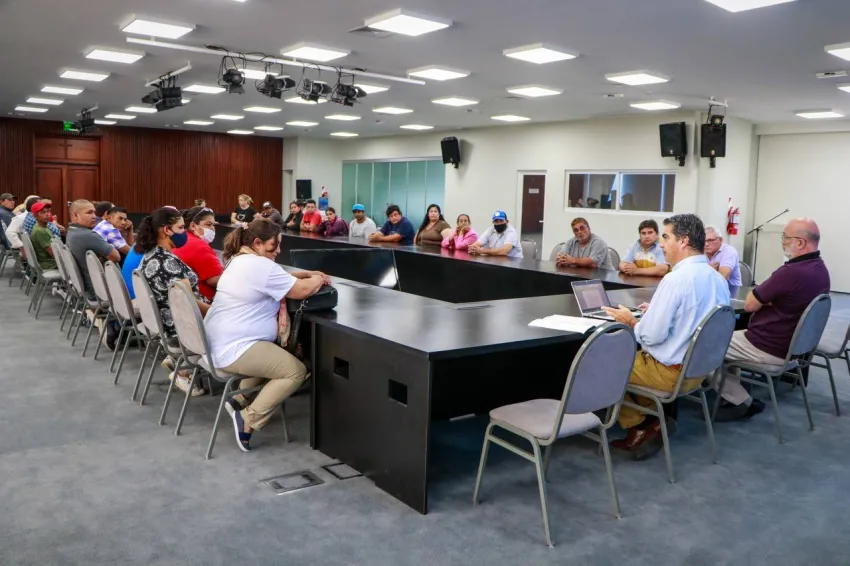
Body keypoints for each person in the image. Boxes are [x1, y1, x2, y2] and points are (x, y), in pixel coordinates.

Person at [602, 214, 729, 460]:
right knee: (631, 360)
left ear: (683, 241)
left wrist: (631, 320)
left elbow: (651, 336)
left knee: (607, 363)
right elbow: (695, 319)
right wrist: (655, 313)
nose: (661, 244)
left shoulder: (675, 280)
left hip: (670, 374)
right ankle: (654, 419)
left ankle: (641, 426)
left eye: (666, 237)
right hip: (699, 371)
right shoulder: (716, 279)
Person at [204, 218, 327, 452]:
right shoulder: (259, 266)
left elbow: (276, 276)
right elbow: (301, 291)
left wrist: (305, 273)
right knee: (295, 371)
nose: (278, 251)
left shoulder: (240, 260)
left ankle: (238, 399)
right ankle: (248, 419)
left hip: (220, 341)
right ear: (257, 243)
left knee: (280, 353)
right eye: (274, 245)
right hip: (234, 348)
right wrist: (318, 278)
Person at [712, 218, 830, 422]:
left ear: (800, 242)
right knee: (725, 338)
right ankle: (731, 393)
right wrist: (769, 300)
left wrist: (766, 299)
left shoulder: (790, 272)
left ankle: (741, 401)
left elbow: (750, 304)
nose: (783, 241)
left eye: (785, 237)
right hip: (793, 347)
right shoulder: (820, 269)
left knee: (701, 346)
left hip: (766, 347)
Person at [136, 207, 211, 397]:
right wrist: (215, 312)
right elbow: (190, 304)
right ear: (166, 230)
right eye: (181, 228)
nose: (184, 233)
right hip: (184, 329)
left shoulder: (150, 255)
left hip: (169, 325)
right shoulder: (168, 262)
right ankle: (184, 370)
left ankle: (178, 361)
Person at [66, 200, 121, 299]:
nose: (94, 216)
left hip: (85, 288)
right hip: (99, 291)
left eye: (94, 212)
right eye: (89, 213)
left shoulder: (71, 231)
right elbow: (116, 257)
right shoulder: (87, 235)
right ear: (76, 215)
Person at [173, 206, 224, 302]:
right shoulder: (199, 246)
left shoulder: (182, 239)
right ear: (193, 226)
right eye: (208, 224)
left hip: (180, 300)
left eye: (213, 225)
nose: (213, 228)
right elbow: (217, 280)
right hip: (201, 303)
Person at [704, 225, 742, 290]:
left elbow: (722, 278)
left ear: (720, 240)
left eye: (710, 240)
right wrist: (709, 269)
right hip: (709, 289)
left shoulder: (729, 251)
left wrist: (703, 271)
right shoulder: (700, 251)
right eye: (703, 241)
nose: (706, 244)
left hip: (731, 290)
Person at [29, 201, 57, 272]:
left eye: (48, 211)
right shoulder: (40, 231)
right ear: (35, 215)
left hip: (49, 262)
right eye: (43, 212)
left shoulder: (41, 226)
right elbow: (53, 254)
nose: (47, 214)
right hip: (49, 264)